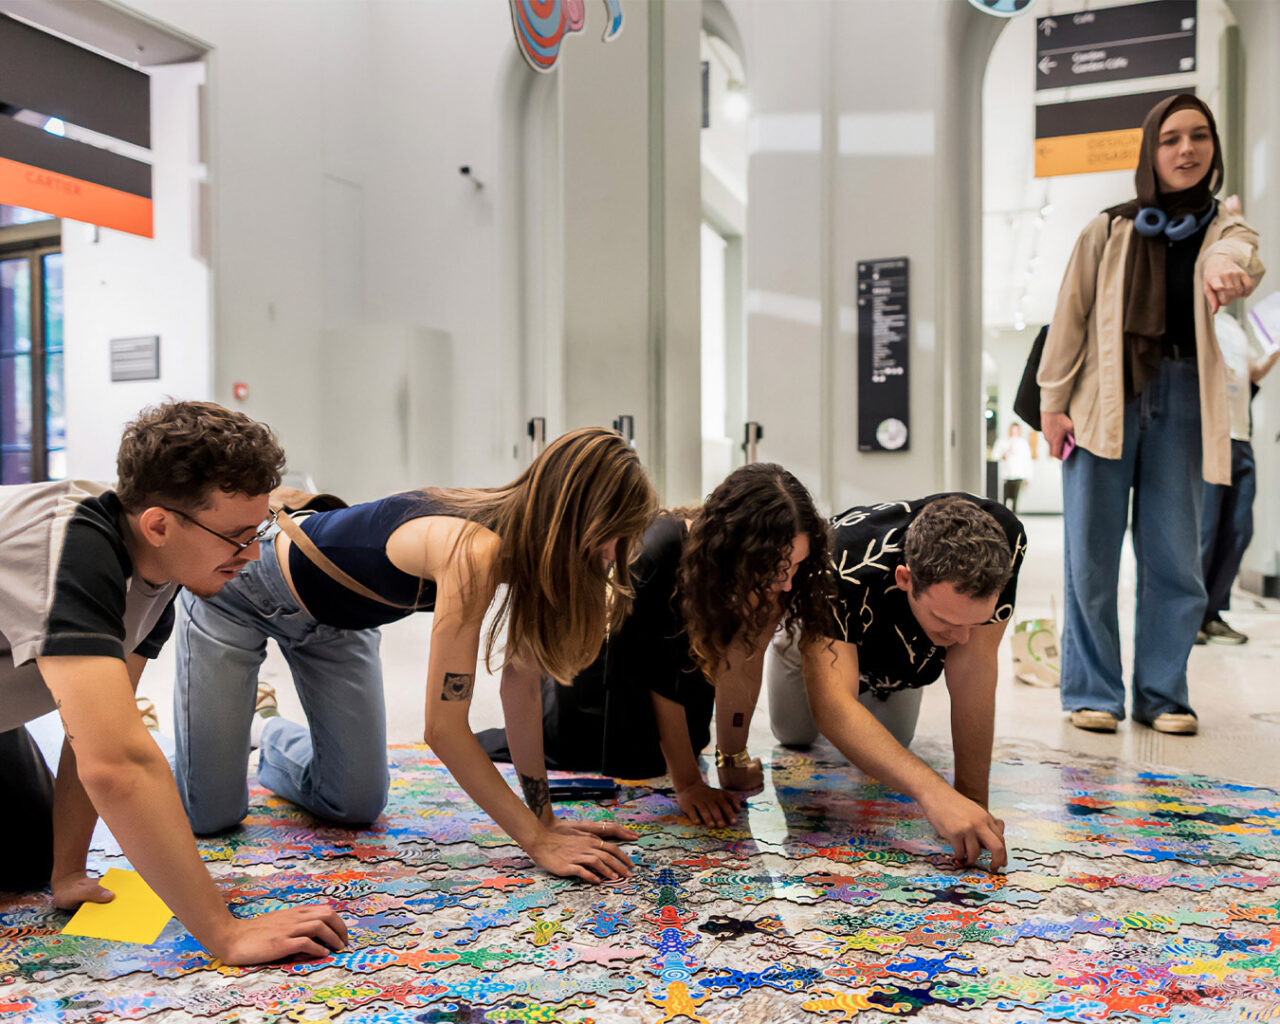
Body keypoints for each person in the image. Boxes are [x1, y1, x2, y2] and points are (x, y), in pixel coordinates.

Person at [174, 426, 657, 884]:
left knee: (354, 806)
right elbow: (443, 728)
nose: (615, 554)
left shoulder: (532, 551)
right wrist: (534, 841)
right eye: (614, 534)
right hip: (244, 589)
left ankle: (268, 727)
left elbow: (522, 689)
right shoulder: (474, 551)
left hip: (340, 623)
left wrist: (545, 817)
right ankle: (231, 729)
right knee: (210, 814)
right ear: (575, 518)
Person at [0, 401, 348, 965]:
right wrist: (223, 932)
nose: (253, 553)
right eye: (238, 536)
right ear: (160, 524)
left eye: (258, 530)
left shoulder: (159, 563)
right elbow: (118, 763)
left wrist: (66, 873)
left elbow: (90, 730)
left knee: (23, 862)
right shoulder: (72, 545)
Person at [1037, 94, 1264, 735]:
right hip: (1100, 401)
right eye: (1170, 139)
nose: (1186, 150)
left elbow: (1243, 253)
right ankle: (1093, 693)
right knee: (1092, 556)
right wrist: (1053, 402)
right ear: (1150, 150)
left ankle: (1164, 694)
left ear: (1213, 148)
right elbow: (1070, 320)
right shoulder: (1108, 228)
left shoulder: (1223, 227)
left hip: (1188, 398)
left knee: (1175, 559)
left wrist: (1224, 266)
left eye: (1199, 137)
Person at [477, 463, 835, 828]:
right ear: (739, 547)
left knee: (690, 741)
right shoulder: (658, 552)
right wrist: (690, 784)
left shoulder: (775, 579)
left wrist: (732, 759)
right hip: (599, 703)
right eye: (778, 568)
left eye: (795, 566)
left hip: (677, 692)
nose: (787, 583)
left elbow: (745, 662)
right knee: (611, 749)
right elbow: (654, 677)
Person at [766, 494, 1026, 870]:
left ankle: (899, 668)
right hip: (829, 641)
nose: (964, 638)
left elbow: (973, 669)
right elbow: (834, 708)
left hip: (904, 657)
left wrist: (971, 801)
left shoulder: (1004, 541)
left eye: (971, 623)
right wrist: (934, 791)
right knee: (794, 733)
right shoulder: (838, 559)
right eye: (948, 620)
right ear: (905, 579)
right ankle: (793, 646)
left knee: (896, 742)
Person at [1198, 306, 1279, 645]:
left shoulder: (1234, 326)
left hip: (1240, 438)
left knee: (1239, 529)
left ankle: (1213, 612)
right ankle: (1192, 616)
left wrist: (1275, 351)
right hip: (1208, 435)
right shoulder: (1197, 316)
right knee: (1206, 530)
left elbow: (1252, 375)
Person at [990, 421, 1033, 513]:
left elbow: (1027, 461)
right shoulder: (1002, 441)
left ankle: (1014, 516)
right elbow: (994, 455)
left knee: (1015, 499)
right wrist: (1003, 455)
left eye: (1016, 430)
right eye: (1012, 430)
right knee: (1003, 498)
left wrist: (1028, 477)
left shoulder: (1023, 443)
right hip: (1005, 475)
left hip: (1018, 475)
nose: (1014, 432)